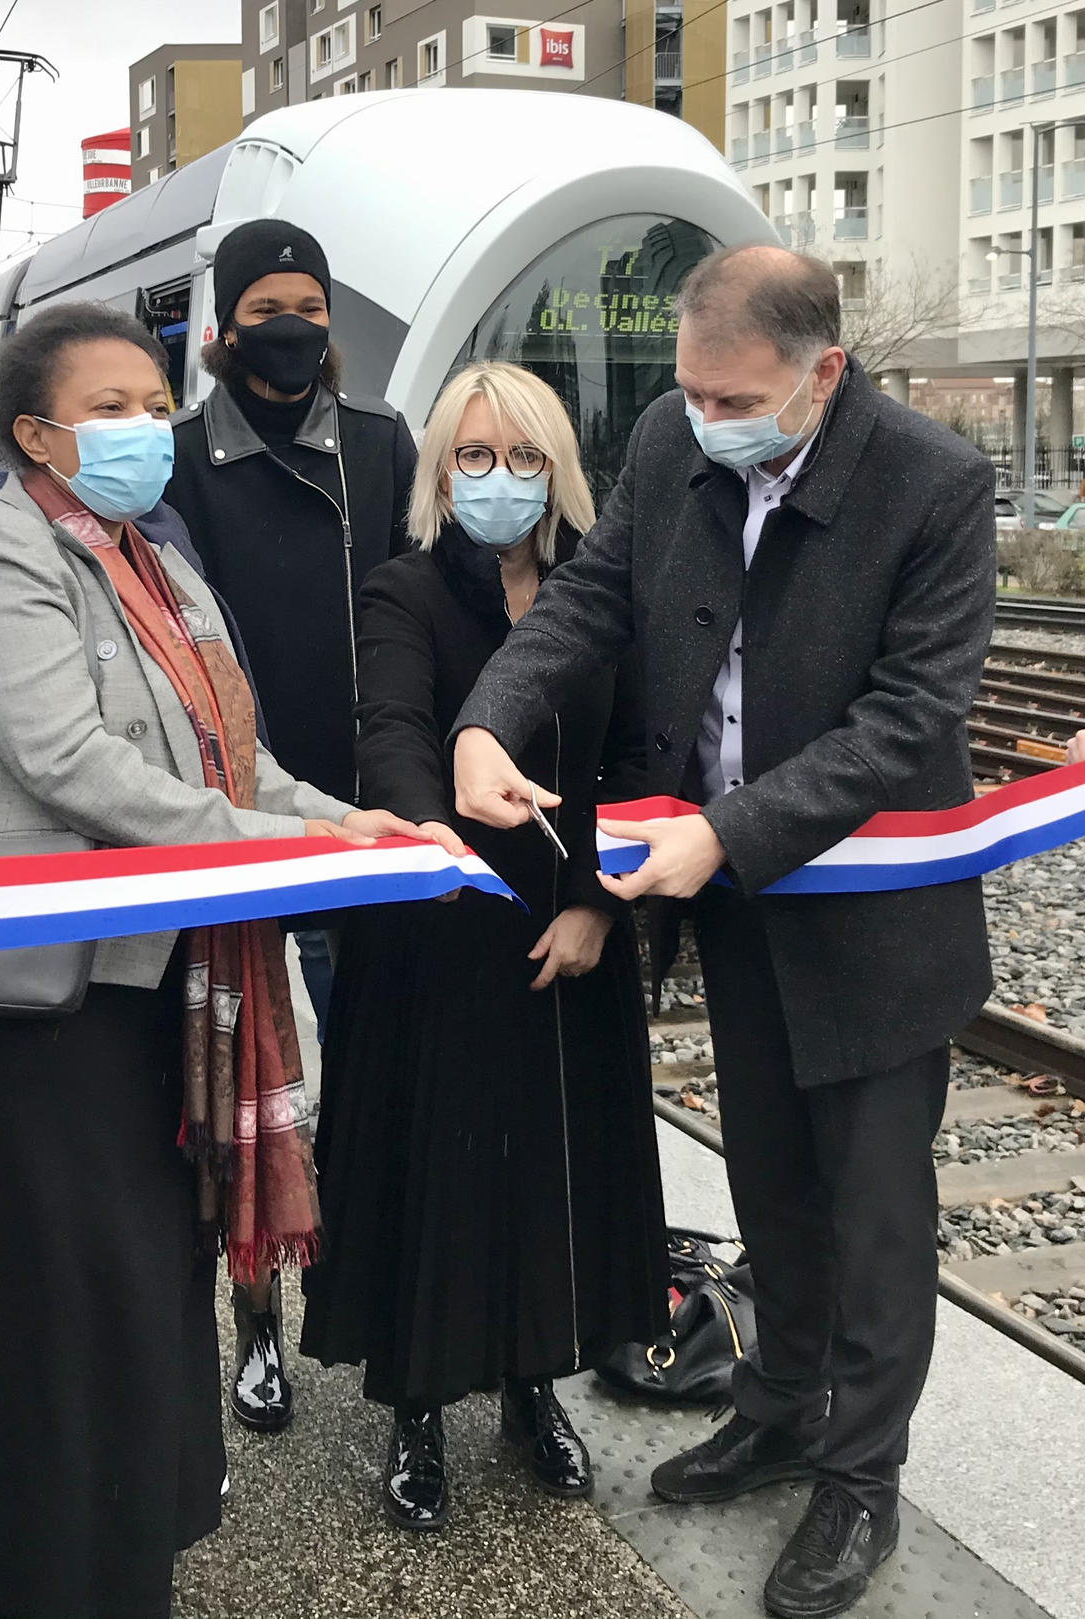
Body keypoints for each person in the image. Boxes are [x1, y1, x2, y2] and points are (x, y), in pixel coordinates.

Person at [0, 300, 457, 1619]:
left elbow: (228, 750)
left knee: (133, 1300)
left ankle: (110, 1561)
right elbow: (73, 764)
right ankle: (18, 1577)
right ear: (36, 432)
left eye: (151, 402)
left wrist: (335, 814)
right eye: (112, 408)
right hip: (24, 1009)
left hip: (139, 995)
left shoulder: (154, 557)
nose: (146, 428)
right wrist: (273, 848)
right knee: (46, 1309)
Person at [452, 246, 995, 1619]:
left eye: (731, 394)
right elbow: (588, 597)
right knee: (770, 1185)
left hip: (874, 918)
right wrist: (485, 717)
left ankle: (860, 1474)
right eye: (689, 389)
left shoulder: (932, 481)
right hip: (744, 914)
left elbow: (909, 718)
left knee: (874, 1213)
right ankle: (781, 1403)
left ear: (824, 372)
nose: (703, 414)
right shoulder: (670, 431)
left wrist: (730, 829)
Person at [298, 361, 666, 1530]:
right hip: (438, 927)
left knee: (554, 1170)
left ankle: (533, 1377)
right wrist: (443, 843)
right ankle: (417, 1402)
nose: (498, 479)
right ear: (439, 472)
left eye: (521, 457)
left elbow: (641, 760)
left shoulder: (603, 595)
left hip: (573, 929)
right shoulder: (403, 591)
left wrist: (602, 906)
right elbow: (393, 732)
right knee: (437, 1168)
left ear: (556, 472)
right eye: (473, 456)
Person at [163, 217, 420, 1438]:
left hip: (361, 813)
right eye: (267, 306)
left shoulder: (381, 446)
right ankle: (253, 1320)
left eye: (310, 307)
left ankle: (357, 1291)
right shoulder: (171, 462)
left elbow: (420, 604)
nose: (291, 328)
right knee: (249, 1083)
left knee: (368, 1071)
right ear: (224, 326)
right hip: (234, 819)